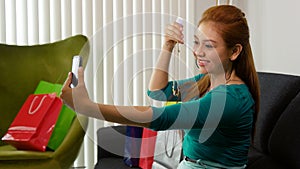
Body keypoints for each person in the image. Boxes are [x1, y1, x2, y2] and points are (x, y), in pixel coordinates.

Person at [61, 5, 260, 169]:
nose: (198, 52)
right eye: (196, 42)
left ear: (234, 51)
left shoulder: (229, 98)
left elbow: (160, 118)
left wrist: (88, 107)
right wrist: (168, 46)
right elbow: (157, 90)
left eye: (209, 46)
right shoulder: (206, 80)